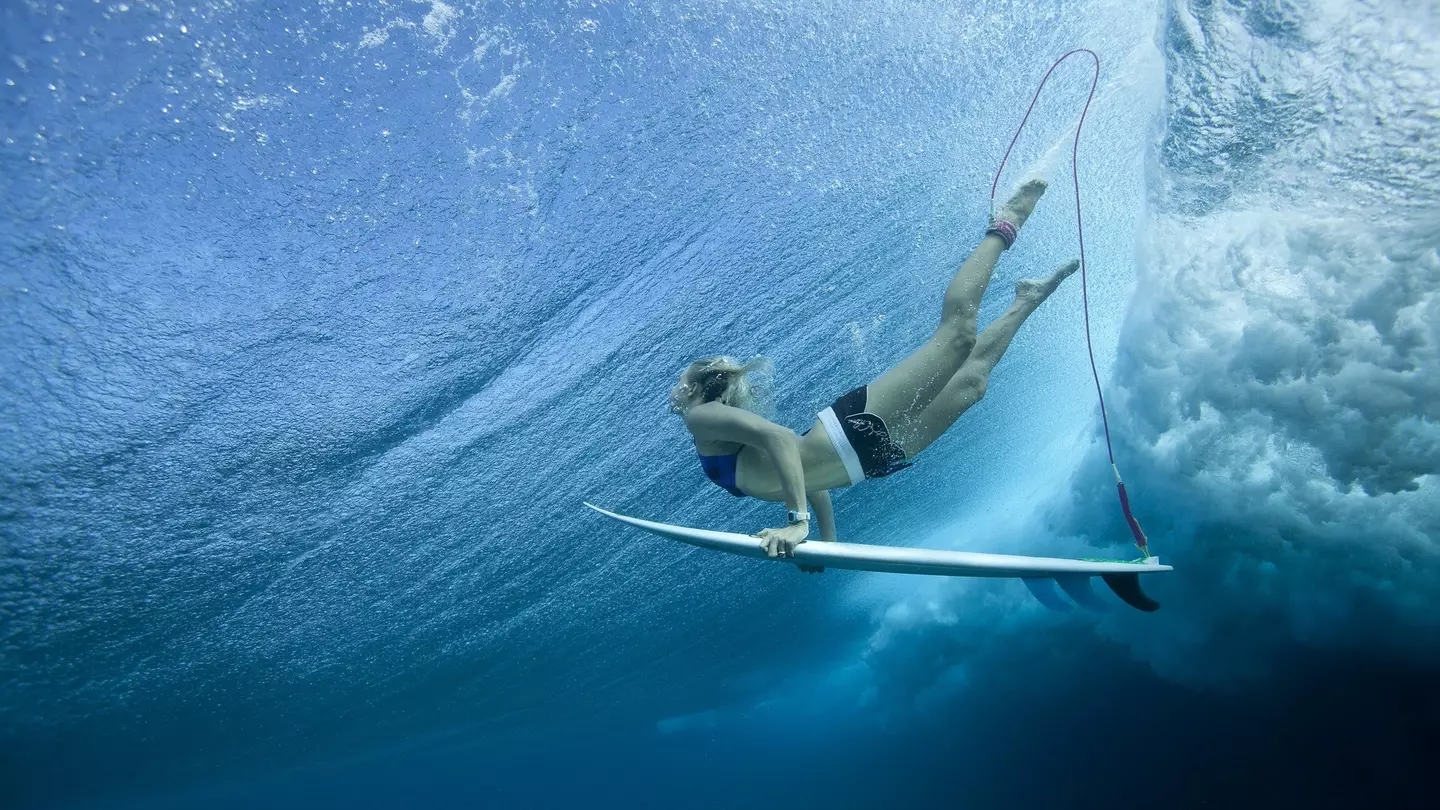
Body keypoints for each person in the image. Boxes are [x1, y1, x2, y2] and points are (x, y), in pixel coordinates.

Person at [669, 180, 1078, 562]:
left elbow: (779, 439)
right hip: (873, 460)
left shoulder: (700, 417)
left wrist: (797, 524)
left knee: (957, 337)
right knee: (972, 384)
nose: (675, 388)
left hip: (853, 431)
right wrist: (826, 545)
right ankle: (1027, 299)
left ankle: (1007, 222)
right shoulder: (717, 430)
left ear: (698, 390)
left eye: (680, 381)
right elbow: (806, 477)